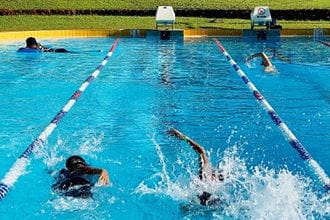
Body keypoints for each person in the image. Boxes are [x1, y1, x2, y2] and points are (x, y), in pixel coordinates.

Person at [168, 128, 224, 206]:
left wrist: (182, 136)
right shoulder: (217, 186)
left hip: (197, 200)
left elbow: (201, 150)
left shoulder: (206, 173)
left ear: (215, 174)